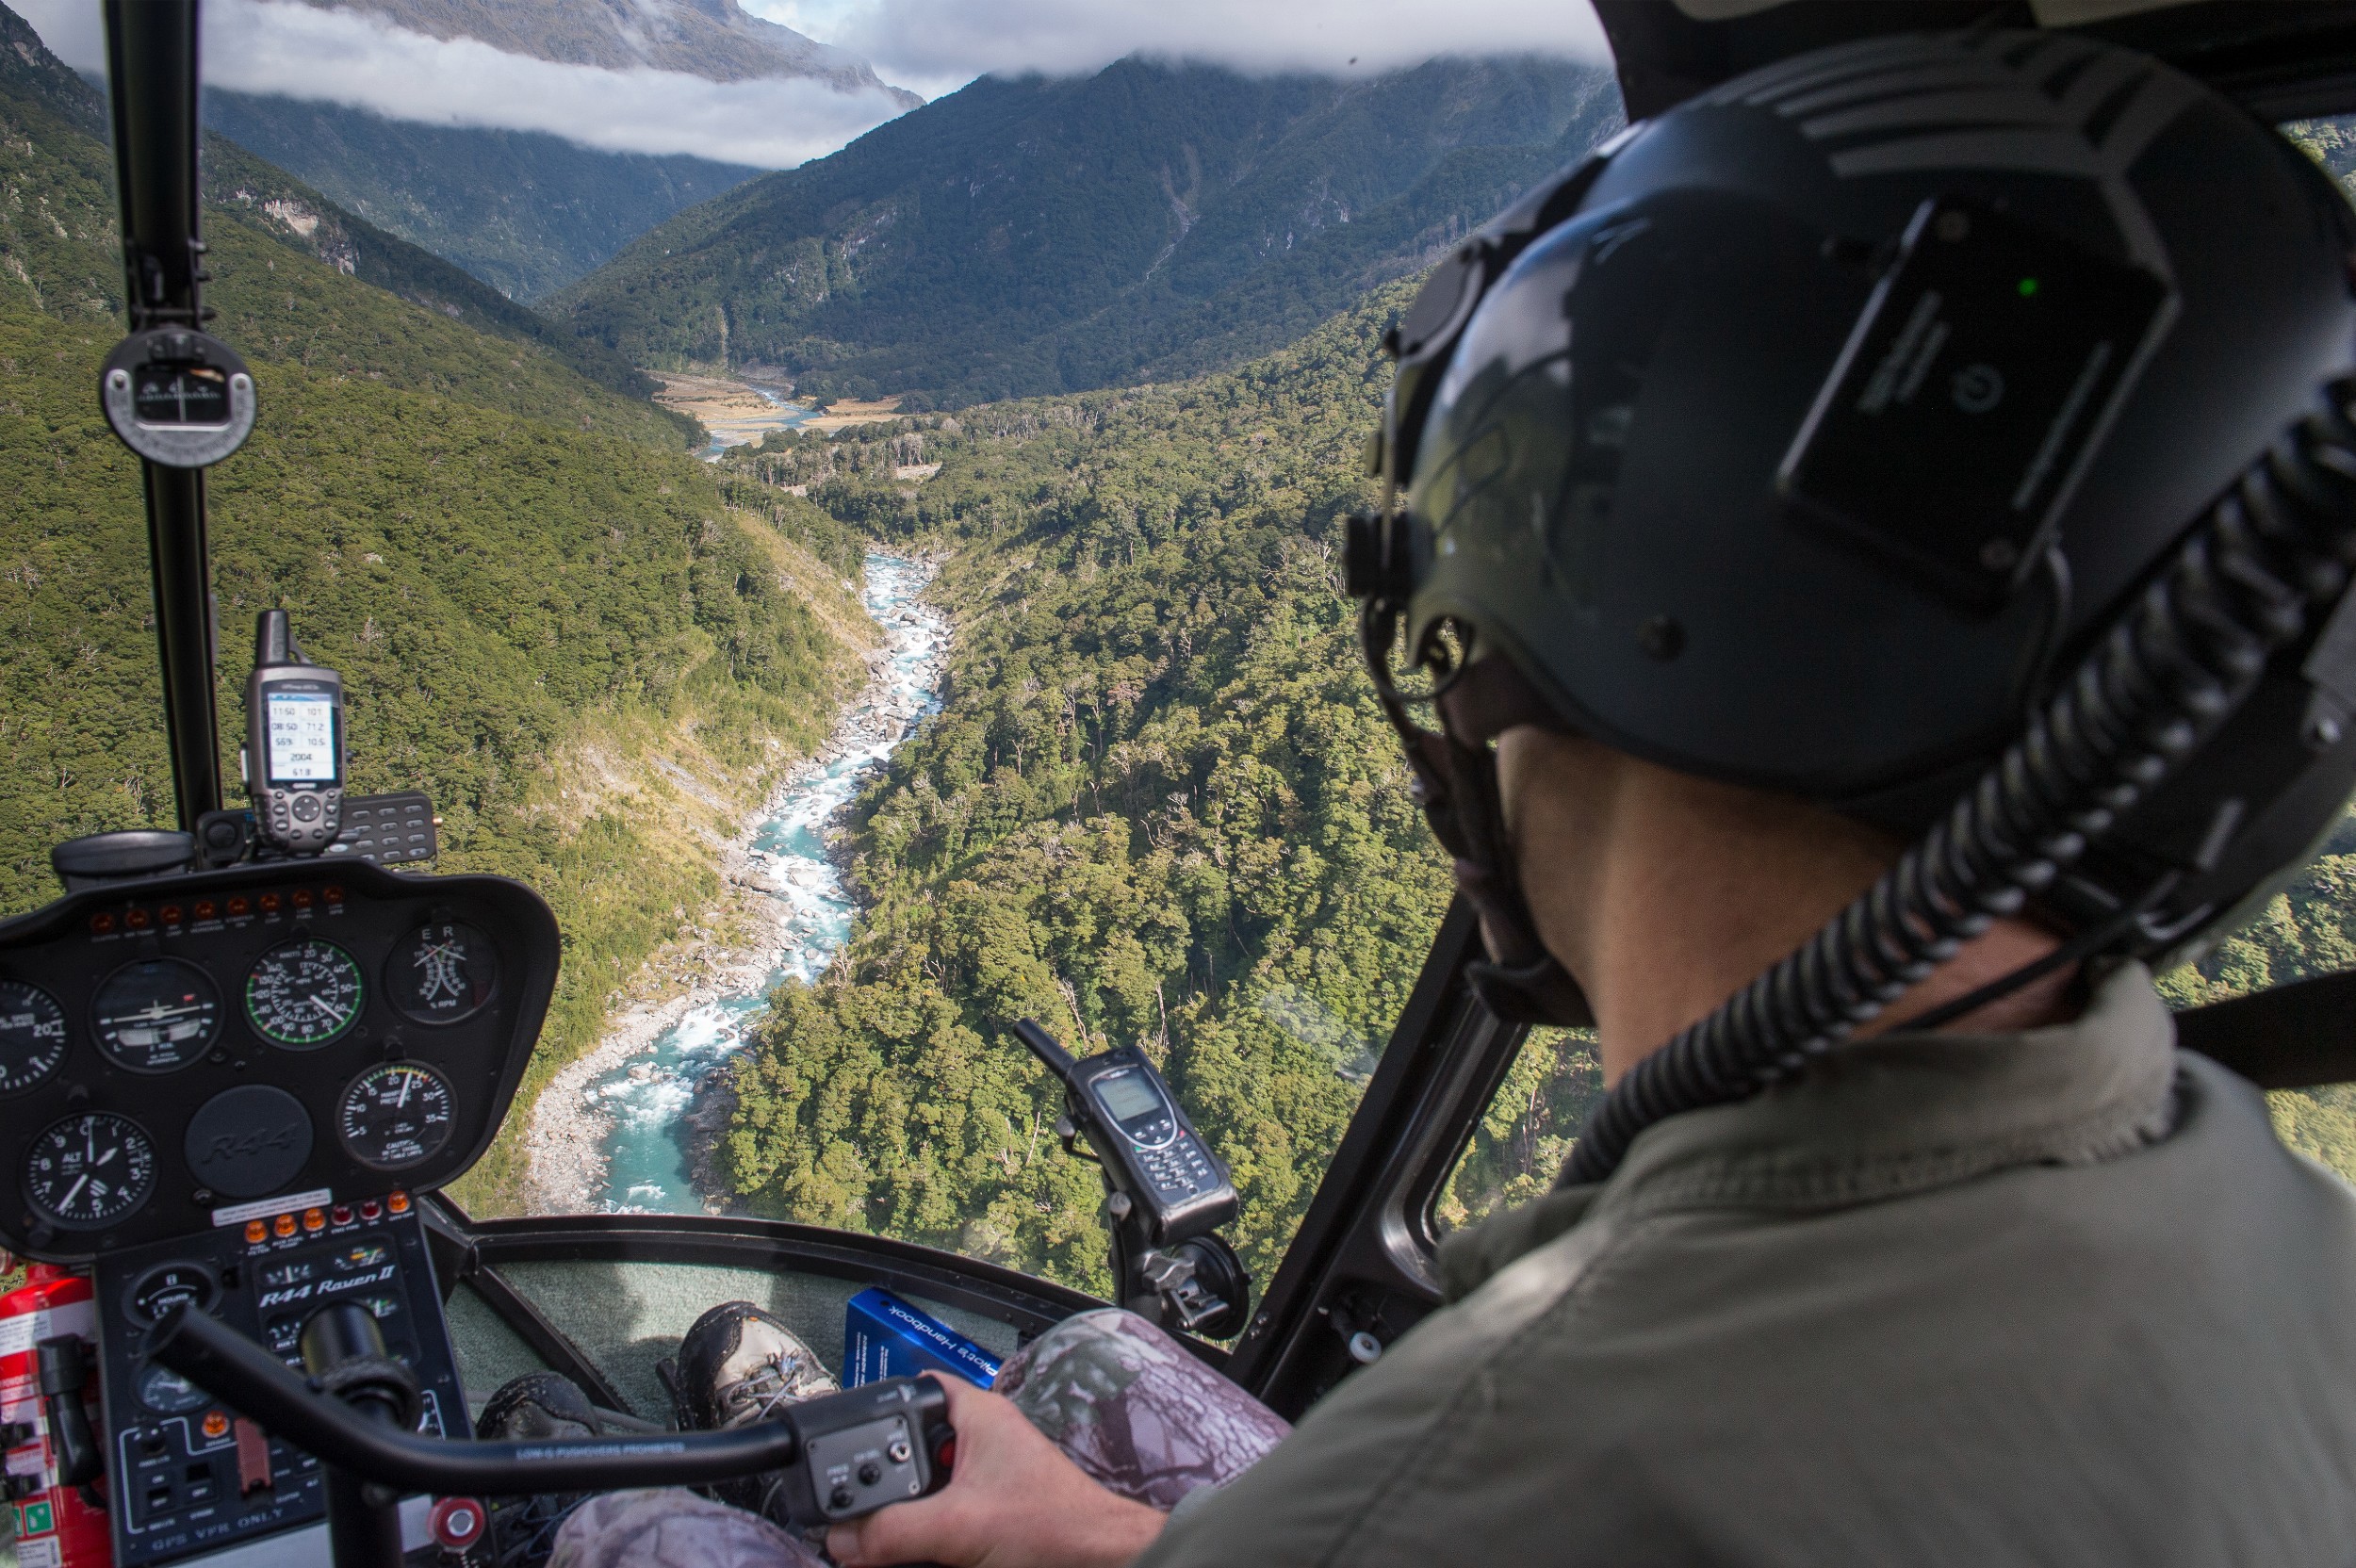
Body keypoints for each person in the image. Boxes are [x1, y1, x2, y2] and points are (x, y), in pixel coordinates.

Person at [527, 24, 2356, 1567]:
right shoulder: (2274, 1223)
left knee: (615, 1524)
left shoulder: (1487, 1475)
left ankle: (566, 1459)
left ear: (1592, 598)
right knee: (1084, 1366)